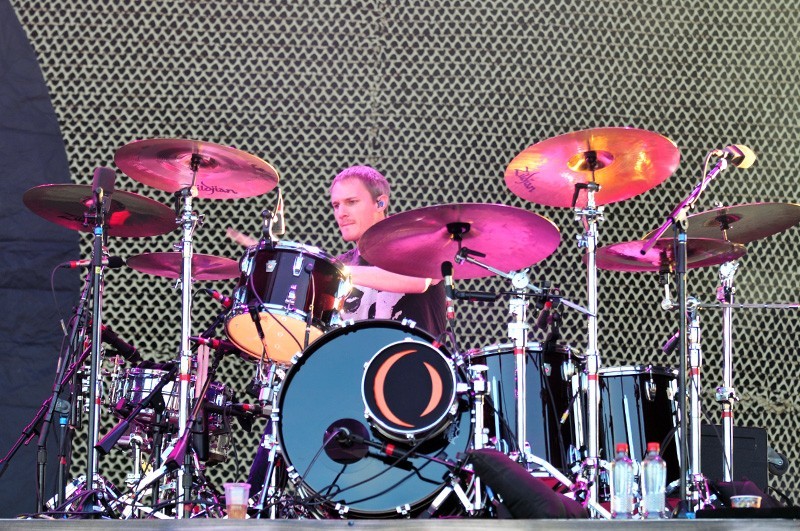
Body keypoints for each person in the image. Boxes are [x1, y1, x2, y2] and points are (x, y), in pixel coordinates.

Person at [330, 165, 446, 338]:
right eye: (336, 205)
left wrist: (341, 273)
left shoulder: (418, 243)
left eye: (351, 202)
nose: (341, 213)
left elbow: (419, 281)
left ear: (380, 203)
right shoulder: (342, 262)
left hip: (413, 354)